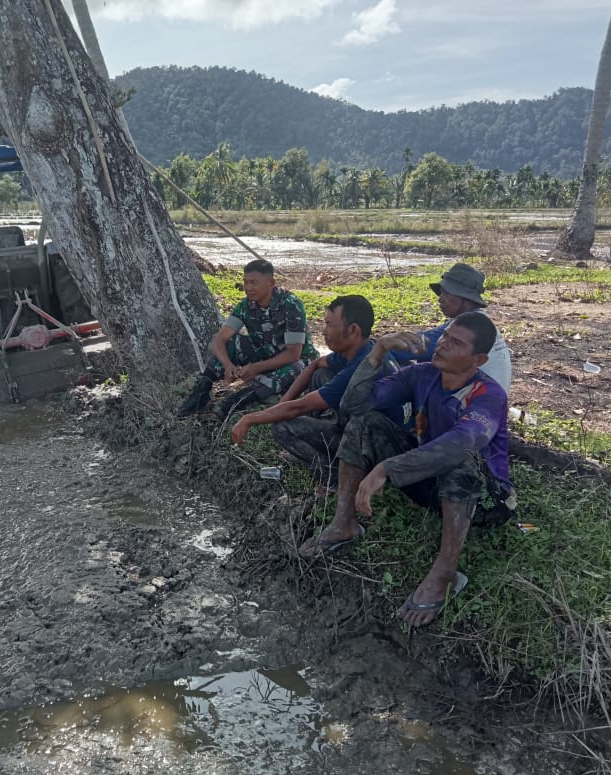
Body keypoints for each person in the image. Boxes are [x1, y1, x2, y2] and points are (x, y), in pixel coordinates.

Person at [299, 311, 514, 628]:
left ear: (478, 359)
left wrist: (386, 468)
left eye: (456, 343)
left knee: (462, 458)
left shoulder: (488, 395)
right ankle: (343, 523)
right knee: (364, 423)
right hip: (430, 482)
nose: (443, 344)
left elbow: (461, 444)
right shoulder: (422, 374)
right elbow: (353, 405)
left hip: (483, 500)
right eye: (445, 336)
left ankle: (444, 572)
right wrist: (377, 352)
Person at [229, 295, 374, 488]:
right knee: (320, 374)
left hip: (365, 446)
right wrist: (282, 403)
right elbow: (315, 364)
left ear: (353, 330)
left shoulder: (359, 369)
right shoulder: (362, 349)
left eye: (330, 325)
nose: (324, 331)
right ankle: (316, 445)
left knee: (282, 427)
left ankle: (331, 476)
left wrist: (249, 419)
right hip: (355, 426)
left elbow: (298, 407)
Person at [177, 259, 318, 420]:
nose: (248, 288)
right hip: (265, 353)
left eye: (254, 283)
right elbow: (219, 339)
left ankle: (237, 401)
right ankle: (200, 393)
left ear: (271, 283)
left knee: (297, 367)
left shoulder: (290, 305)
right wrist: (228, 365)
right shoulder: (246, 306)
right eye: (245, 282)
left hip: (295, 360)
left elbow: (293, 354)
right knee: (229, 344)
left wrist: (256, 368)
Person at [383, 262, 511, 393]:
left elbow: (402, 348)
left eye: (446, 293)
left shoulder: (465, 329)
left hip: (470, 398)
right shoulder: (479, 321)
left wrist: (380, 346)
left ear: (466, 299)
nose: (440, 299)